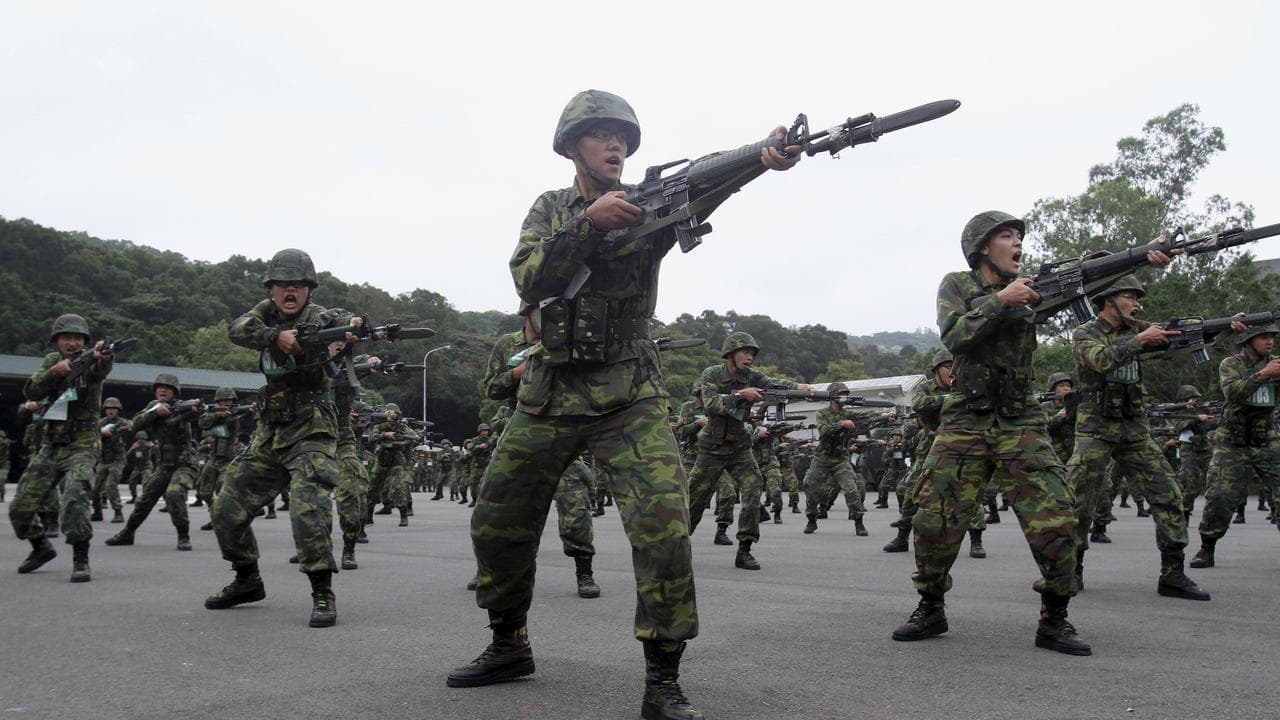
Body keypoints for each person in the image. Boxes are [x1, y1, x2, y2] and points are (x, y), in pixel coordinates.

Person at [447, 89, 800, 720]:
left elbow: (705, 184)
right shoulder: (552, 208)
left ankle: (662, 677)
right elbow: (529, 278)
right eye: (602, 136)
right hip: (549, 391)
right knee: (497, 520)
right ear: (573, 148)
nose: (616, 146)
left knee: (665, 528)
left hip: (628, 392)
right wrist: (588, 224)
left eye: (624, 139)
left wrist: (760, 160)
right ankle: (508, 645)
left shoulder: (650, 208)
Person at [892, 211, 1095, 655]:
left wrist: (1142, 261)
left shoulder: (1034, 289)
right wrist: (1001, 300)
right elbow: (955, 337)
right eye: (1008, 235)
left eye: (1020, 236)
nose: (1018, 242)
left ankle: (1055, 617)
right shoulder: (958, 285)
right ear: (983, 246)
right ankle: (930, 605)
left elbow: (1091, 282)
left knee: (1058, 517)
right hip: (966, 417)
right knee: (933, 518)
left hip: (1021, 418)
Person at [203, 248, 359, 628]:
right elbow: (237, 329)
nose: (290, 291)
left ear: (309, 288)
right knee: (226, 507)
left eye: (298, 285)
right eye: (282, 285)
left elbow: (343, 322)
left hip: (312, 426)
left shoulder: (320, 316)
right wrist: (276, 336)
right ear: (271, 289)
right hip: (270, 429)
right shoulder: (264, 314)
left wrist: (346, 334)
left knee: (308, 509)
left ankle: (322, 591)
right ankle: (246, 579)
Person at [1065, 275, 1209, 600]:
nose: (1136, 303)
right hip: (1095, 429)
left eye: (1136, 297)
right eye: (1130, 296)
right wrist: (1140, 341)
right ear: (1109, 301)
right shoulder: (1086, 333)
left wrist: (1222, 329)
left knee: (1168, 494)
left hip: (1134, 428)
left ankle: (1173, 573)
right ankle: (1070, 569)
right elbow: (1101, 360)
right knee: (1079, 501)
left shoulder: (1138, 328)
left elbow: (1173, 335)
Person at [688, 331, 812, 569]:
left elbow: (774, 383)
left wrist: (799, 387)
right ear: (731, 354)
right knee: (694, 500)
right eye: (745, 352)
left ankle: (745, 549)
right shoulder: (712, 374)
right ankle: (678, 548)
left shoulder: (753, 376)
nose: (749, 357)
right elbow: (712, 405)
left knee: (753, 491)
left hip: (740, 448)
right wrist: (739, 396)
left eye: (752, 353)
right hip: (711, 449)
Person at [10, 314, 115, 582]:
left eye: (78, 338)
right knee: (20, 506)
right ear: (56, 342)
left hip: (82, 443)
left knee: (74, 497)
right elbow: (32, 391)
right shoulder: (50, 361)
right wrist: (53, 373)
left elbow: (100, 370)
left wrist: (104, 356)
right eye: (66, 338)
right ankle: (41, 548)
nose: (72, 342)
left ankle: (81, 558)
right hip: (51, 443)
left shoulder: (92, 359)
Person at [1189, 323, 1280, 568]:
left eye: (1271, 337)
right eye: (1263, 337)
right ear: (1249, 340)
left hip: (1266, 440)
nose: (1269, 342)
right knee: (1220, 496)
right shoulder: (1231, 364)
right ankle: (1207, 547)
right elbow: (1233, 393)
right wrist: (1263, 375)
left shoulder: (1277, 364)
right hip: (1232, 441)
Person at [104, 374, 203, 551]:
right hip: (164, 465)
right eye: (160, 387)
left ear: (175, 392)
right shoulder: (152, 407)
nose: (163, 390)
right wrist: (155, 412)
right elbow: (135, 424)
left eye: (168, 388)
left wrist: (197, 408)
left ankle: (183, 535)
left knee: (174, 494)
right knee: (145, 500)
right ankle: (128, 532)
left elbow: (198, 414)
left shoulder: (183, 407)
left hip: (185, 463)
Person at [884, 350, 952, 554]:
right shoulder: (927, 387)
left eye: (954, 366)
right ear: (937, 370)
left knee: (965, 494)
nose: (952, 371)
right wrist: (950, 399)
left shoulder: (964, 385)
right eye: (947, 367)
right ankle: (902, 537)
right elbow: (918, 404)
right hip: (929, 447)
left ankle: (976, 540)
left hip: (958, 447)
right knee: (908, 490)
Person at [93, 397, 130, 524]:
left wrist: (126, 428)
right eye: (108, 408)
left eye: (113, 408)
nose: (111, 411)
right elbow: (92, 435)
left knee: (110, 485)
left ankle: (118, 512)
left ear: (118, 410)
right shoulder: (100, 423)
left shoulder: (122, 422)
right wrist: (101, 434)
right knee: (94, 488)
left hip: (117, 459)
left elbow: (131, 425)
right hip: (103, 460)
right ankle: (97, 512)